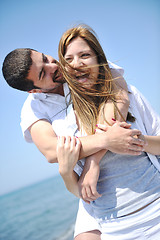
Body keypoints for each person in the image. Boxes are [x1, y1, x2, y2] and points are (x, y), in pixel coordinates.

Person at [2, 48, 145, 240]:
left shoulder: (80, 64)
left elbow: (119, 99)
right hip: (93, 191)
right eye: (44, 73)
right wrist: (105, 140)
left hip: (122, 173)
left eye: (45, 58)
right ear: (34, 90)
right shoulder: (32, 109)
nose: (53, 66)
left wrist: (92, 161)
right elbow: (52, 152)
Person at [56, 24, 160, 239]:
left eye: (85, 55)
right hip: (115, 228)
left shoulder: (129, 95)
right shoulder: (65, 122)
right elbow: (81, 192)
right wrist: (66, 172)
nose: (77, 64)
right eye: (68, 59)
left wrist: (136, 140)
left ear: (98, 59)